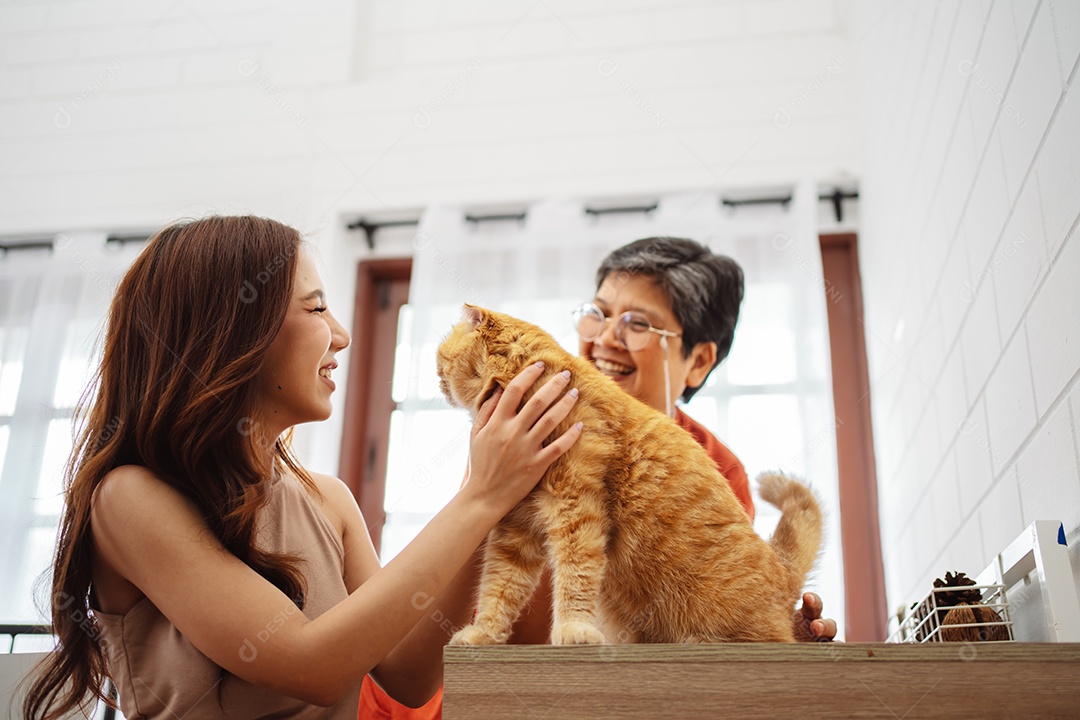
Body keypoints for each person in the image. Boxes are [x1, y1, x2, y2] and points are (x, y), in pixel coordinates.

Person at [23, 216, 582, 720]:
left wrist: (487, 489)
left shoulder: (329, 500)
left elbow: (408, 679)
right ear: (233, 332)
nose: (341, 334)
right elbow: (311, 668)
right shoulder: (129, 499)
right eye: (316, 308)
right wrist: (480, 498)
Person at [360, 236, 835, 718]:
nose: (606, 338)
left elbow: (682, 660)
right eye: (599, 313)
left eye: (638, 324)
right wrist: (483, 493)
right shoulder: (522, 432)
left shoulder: (713, 466)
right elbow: (412, 677)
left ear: (698, 361)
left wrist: (762, 645)